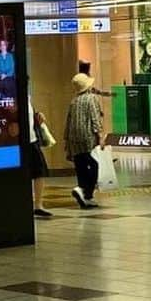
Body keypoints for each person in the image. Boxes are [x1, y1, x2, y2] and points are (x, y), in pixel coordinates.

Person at [64, 71, 104, 209]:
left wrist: (66, 141)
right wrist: (100, 135)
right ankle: (86, 192)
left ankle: (82, 191)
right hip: (87, 137)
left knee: (80, 166)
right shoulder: (91, 98)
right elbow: (95, 118)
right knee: (94, 164)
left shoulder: (73, 101)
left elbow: (68, 121)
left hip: (73, 138)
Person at [27, 89, 53, 219]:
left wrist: (37, 116)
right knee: (36, 171)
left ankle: (38, 204)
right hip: (23, 141)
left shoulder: (28, 97)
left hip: (32, 140)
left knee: (39, 171)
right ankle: (35, 204)